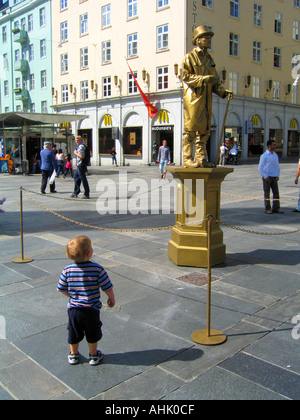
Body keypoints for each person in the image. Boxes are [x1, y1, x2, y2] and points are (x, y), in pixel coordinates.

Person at [57, 236, 115, 366]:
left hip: (74, 309)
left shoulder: (67, 270)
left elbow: (61, 288)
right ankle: (93, 356)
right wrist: (111, 298)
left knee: (73, 331)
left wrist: (72, 296)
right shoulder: (97, 269)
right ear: (89, 253)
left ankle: (73, 354)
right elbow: (107, 286)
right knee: (92, 331)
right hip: (91, 308)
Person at [182, 25, 233, 168]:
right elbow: (185, 77)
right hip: (193, 98)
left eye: (209, 37)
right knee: (190, 130)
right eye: (206, 37)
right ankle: (187, 158)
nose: (209, 40)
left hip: (206, 98)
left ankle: (201, 159)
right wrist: (203, 79)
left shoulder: (210, 59)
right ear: (198, 40)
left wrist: (223, 92)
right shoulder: (189, 57)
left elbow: (215, 81)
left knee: (204, 132)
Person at [258, 140, 283, 214]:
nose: (275, 146)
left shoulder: (275, 155)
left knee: (276, 193)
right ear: (269, 146)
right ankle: (268, 208)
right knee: (267, 193)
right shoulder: (264, 156)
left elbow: (277, 166)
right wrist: (265, 176)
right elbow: (260, 167)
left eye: (275, 144)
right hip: (267, 177)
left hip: (274, 176)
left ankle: (276, 208)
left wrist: (277, 175)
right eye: (273, 145)